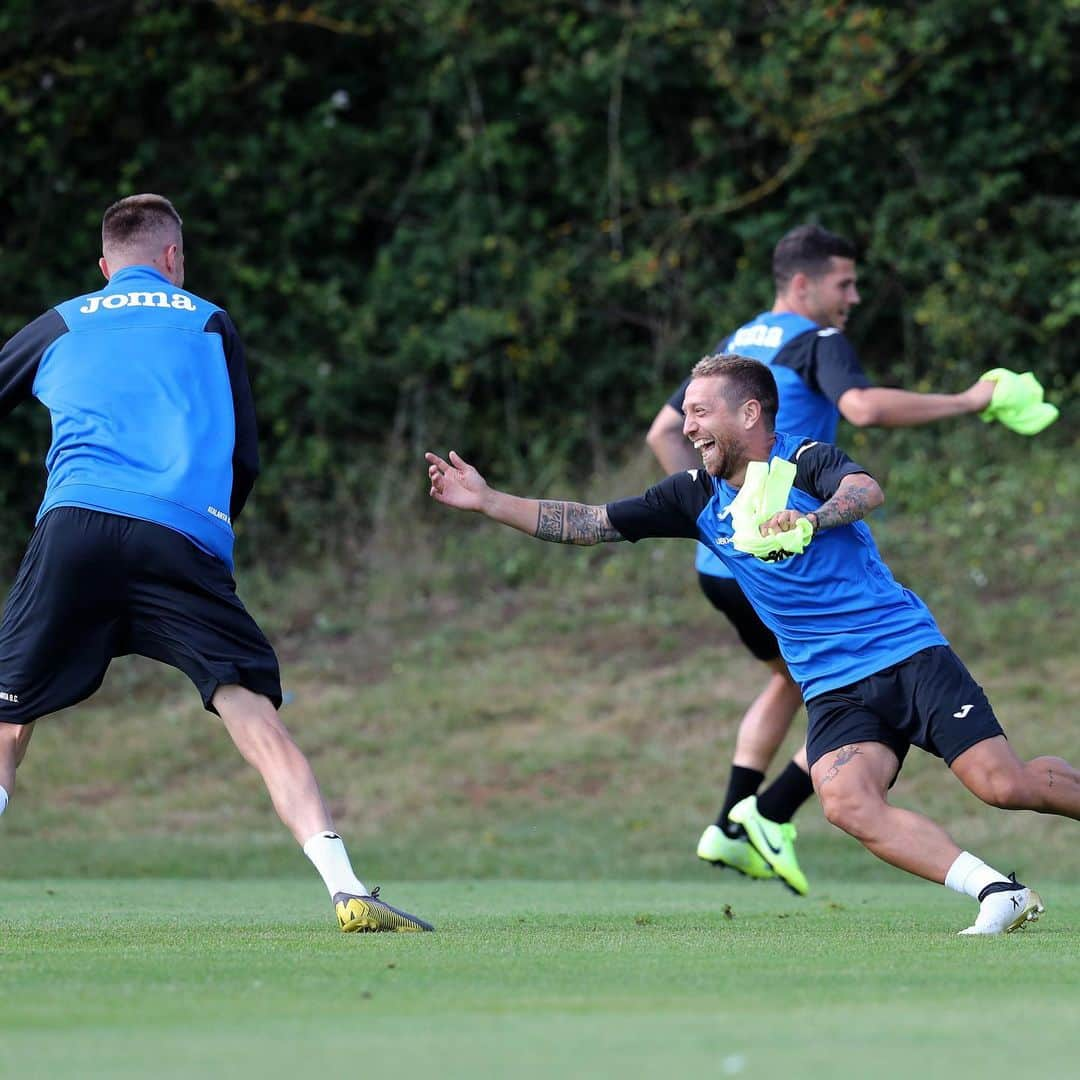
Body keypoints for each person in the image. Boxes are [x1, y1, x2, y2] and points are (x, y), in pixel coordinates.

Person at [425, 353, 1079, 935]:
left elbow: (864, 489)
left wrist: (811, 518)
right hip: (832, 686)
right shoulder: (692, 496)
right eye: (686, 415)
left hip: (905, 653)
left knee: (1003, 785)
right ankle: (998, 891)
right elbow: (589, 522)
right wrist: (489, 502)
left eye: (701, 413)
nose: (687, 427)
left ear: (750, 412)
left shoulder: (806, 459)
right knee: (847, 803)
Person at [0, 193, 431, 934]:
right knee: (251, 713)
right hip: (180, 535)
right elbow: (243, 455)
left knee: (8, 718)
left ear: (106, 268)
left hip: (73, 524)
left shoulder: (64, 319)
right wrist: (211, 531)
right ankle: (346, 885)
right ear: (174, 259)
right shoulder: (206, 318)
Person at [646, 225, 998, 895]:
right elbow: (862, 407)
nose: (853, 297)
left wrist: (711, 517)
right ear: (802, 284)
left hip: (728, 566)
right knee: (836, 667)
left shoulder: (736, 345)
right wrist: (968, 400)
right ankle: (762, 817)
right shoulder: (817, 340)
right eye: (845, 282)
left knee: (793, 676)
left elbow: (663, 431)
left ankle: (739, 818)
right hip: (782, 551)